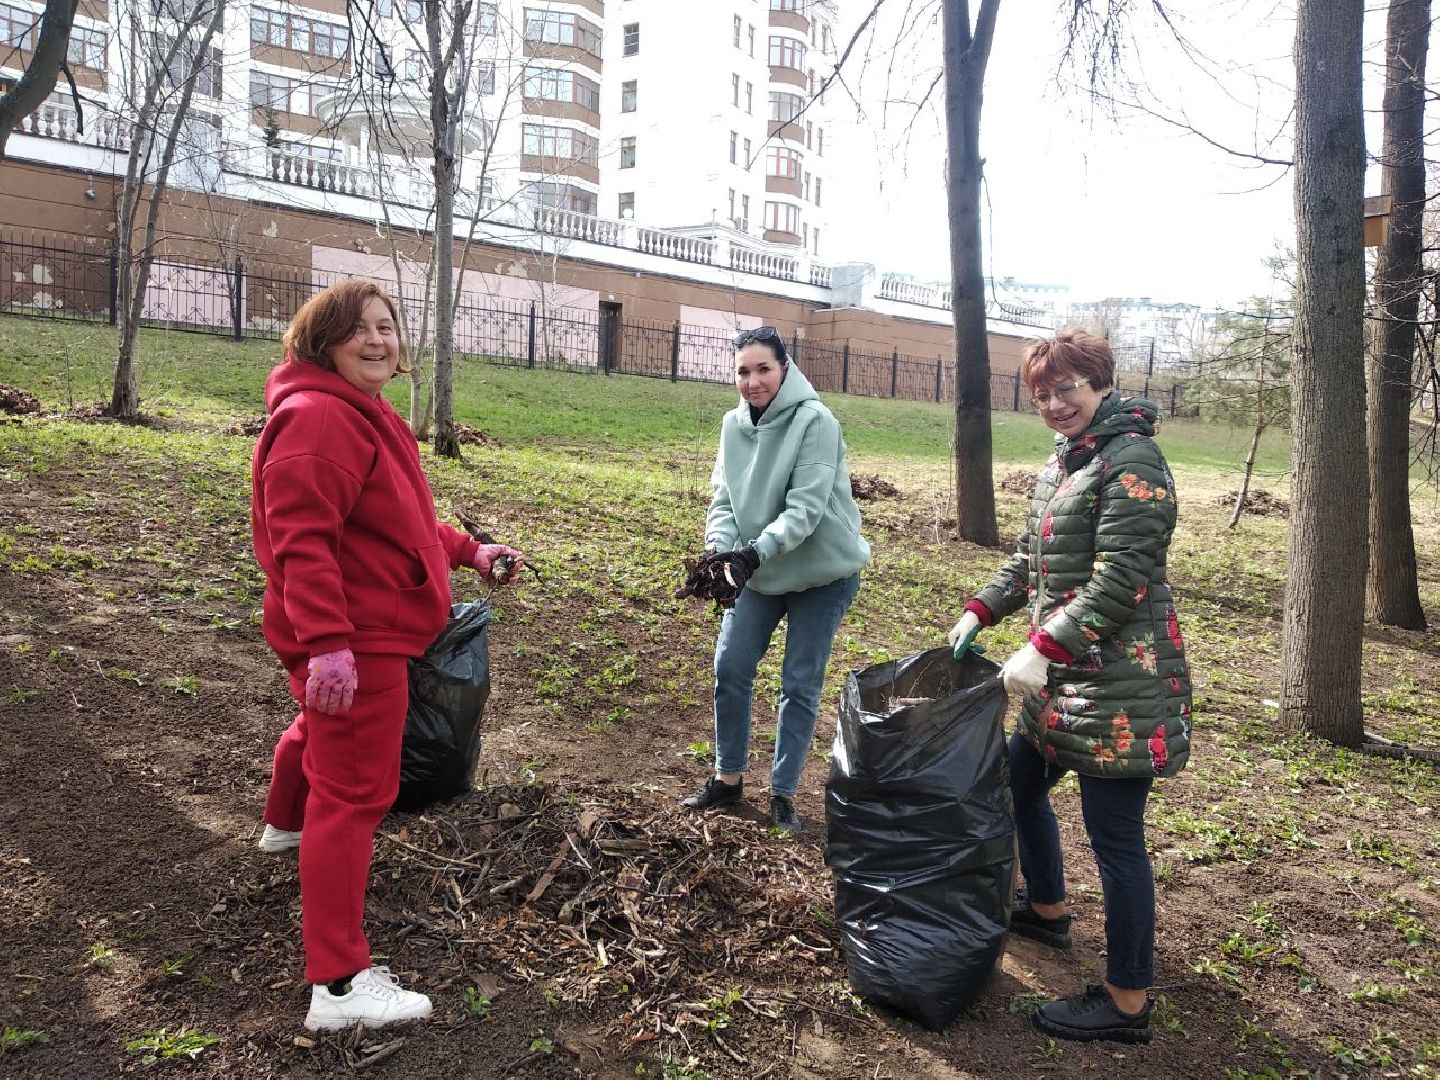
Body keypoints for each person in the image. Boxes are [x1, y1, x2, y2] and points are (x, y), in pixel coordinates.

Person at [250, 279, 523, 1032]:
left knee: (319, 740)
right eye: (358, 330)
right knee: (355, 795)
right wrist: (329, 646)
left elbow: (400, 525)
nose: (378, 341)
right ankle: (338, 987)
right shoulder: (317, 422)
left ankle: (284, 825)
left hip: (365, 631)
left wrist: (470, 550)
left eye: (386, 327)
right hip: (356, 639)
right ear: (321, 342)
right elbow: (302, 543)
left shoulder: (361, 413)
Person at [947, 327, 1191, 1045]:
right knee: (1015, 785)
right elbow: (1034, 560)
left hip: (1120, 689)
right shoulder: (1066, 463)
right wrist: (982, 608)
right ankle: (1048, 910)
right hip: (1061, 682)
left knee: (1115, 840)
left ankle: (1125, 1001)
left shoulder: (1132, 463)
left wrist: (1043, 646)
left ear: (1102, 384)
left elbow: (1122, 580)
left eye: (1068, 389)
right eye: (1043, 393)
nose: (1055, 403)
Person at [680, 326, 870, 834]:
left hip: (820, 572)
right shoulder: (731, 425)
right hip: (758, 568)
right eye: (743, 371)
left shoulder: (815, 421)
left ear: (785, 368)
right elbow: (723, 499)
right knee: (731, 665)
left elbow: (805, 509)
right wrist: (721, 554)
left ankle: (783, 794)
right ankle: (727, 779)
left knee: (799, 683)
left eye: (763, 368)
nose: (753, 380)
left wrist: (750, 554)